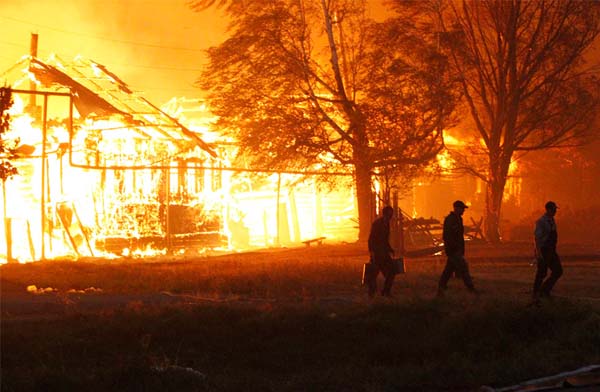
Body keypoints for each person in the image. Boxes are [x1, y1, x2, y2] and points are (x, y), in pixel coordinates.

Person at [437, 200, 478, 297]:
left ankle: (441, 287)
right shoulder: (450, 220)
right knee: (464, 268)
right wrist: (454, 248)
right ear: (456, 208)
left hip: (457, 249)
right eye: (462, 209)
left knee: (449, 270)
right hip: (453, 250)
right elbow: (447, 236)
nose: (464, 210)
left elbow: (459, 236)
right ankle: (471, 288)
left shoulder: (458, 219)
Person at [532, 201, 563, 303]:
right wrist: (539, 253)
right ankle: (536, 293)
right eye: (554, 209)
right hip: (544, 250)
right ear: (549, 209)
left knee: (558, 271)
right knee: (542, 272)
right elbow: (537, 239)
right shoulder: (541, 222)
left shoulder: (552, 220)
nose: (555, 211)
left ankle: (544, 290)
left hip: (551, 250)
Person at [366, 205, 396, 297]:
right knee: (373, 275)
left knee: (392, 271)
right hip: (377, 254)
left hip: (384, 253)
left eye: (391, 215)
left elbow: (385, 239)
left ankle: (385, 291)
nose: (390, 217)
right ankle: (372, 293)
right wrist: (372, 252)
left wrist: (390, 249)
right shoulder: (377, 224)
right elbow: (371, 239)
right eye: (389, 215)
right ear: (385, 214)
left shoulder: (386, 224)